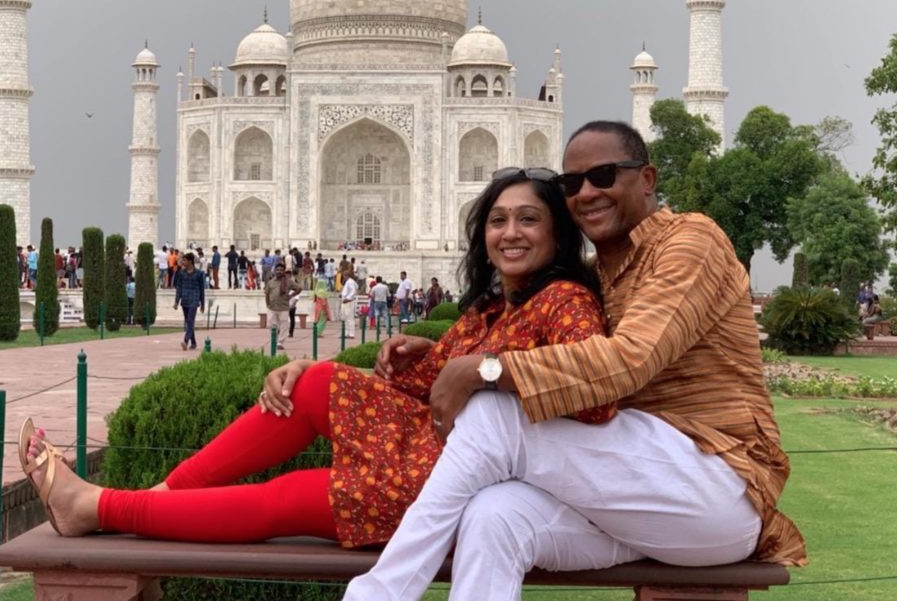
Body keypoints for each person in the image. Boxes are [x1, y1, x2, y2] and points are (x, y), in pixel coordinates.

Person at [15, 168, 612, 550]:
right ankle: (150, 499)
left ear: (558, 235)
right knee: (317, 379)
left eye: (528, 219)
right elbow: (431, 387)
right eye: (498, 220)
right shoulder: (491, 309)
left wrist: (485, 372)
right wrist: (409, 359)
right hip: (427, 448)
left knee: (291, 496)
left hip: (461, 476)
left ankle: (100, 506)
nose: (509, 232)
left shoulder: (566, 302)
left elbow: (595, 395)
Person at [343, 121, 807, 601]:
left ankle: (377, 595)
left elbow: (627, 362)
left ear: (647, 179)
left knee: (493, 411)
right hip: (631, 498)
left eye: (603, 175)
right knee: (494, 515)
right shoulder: (596, 275)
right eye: (571, 184)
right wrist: (443, 355)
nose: (586, 193)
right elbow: (524, 338)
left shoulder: (689, 242)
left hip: (717, 483)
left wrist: (486, 368)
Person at [264, 262, 299, 352]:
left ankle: (280, 342)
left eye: (281, 270)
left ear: (283, 271)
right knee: (272, 325)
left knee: (284, 326)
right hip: (272, 307)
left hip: (283, 307)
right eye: (277, 270)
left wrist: (291, 296)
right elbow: (267, 294)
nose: (279, 271)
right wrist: (267, 304)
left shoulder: (288, 282)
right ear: (275, 271)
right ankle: (275, 340)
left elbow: (299, 288)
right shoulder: (270, 282)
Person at [172, 252, 204, 351]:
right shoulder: (181, 273)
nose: (182, 262)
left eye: (184, 260)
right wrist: (176, 302)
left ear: (190, 261)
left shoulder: (199, 273)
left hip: (194, 300)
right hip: (185, 300)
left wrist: (203, 304)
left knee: (190, 321)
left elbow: (201, 289)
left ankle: (185, 341)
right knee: (188, 322)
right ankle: (193, 343)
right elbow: (179, 288)